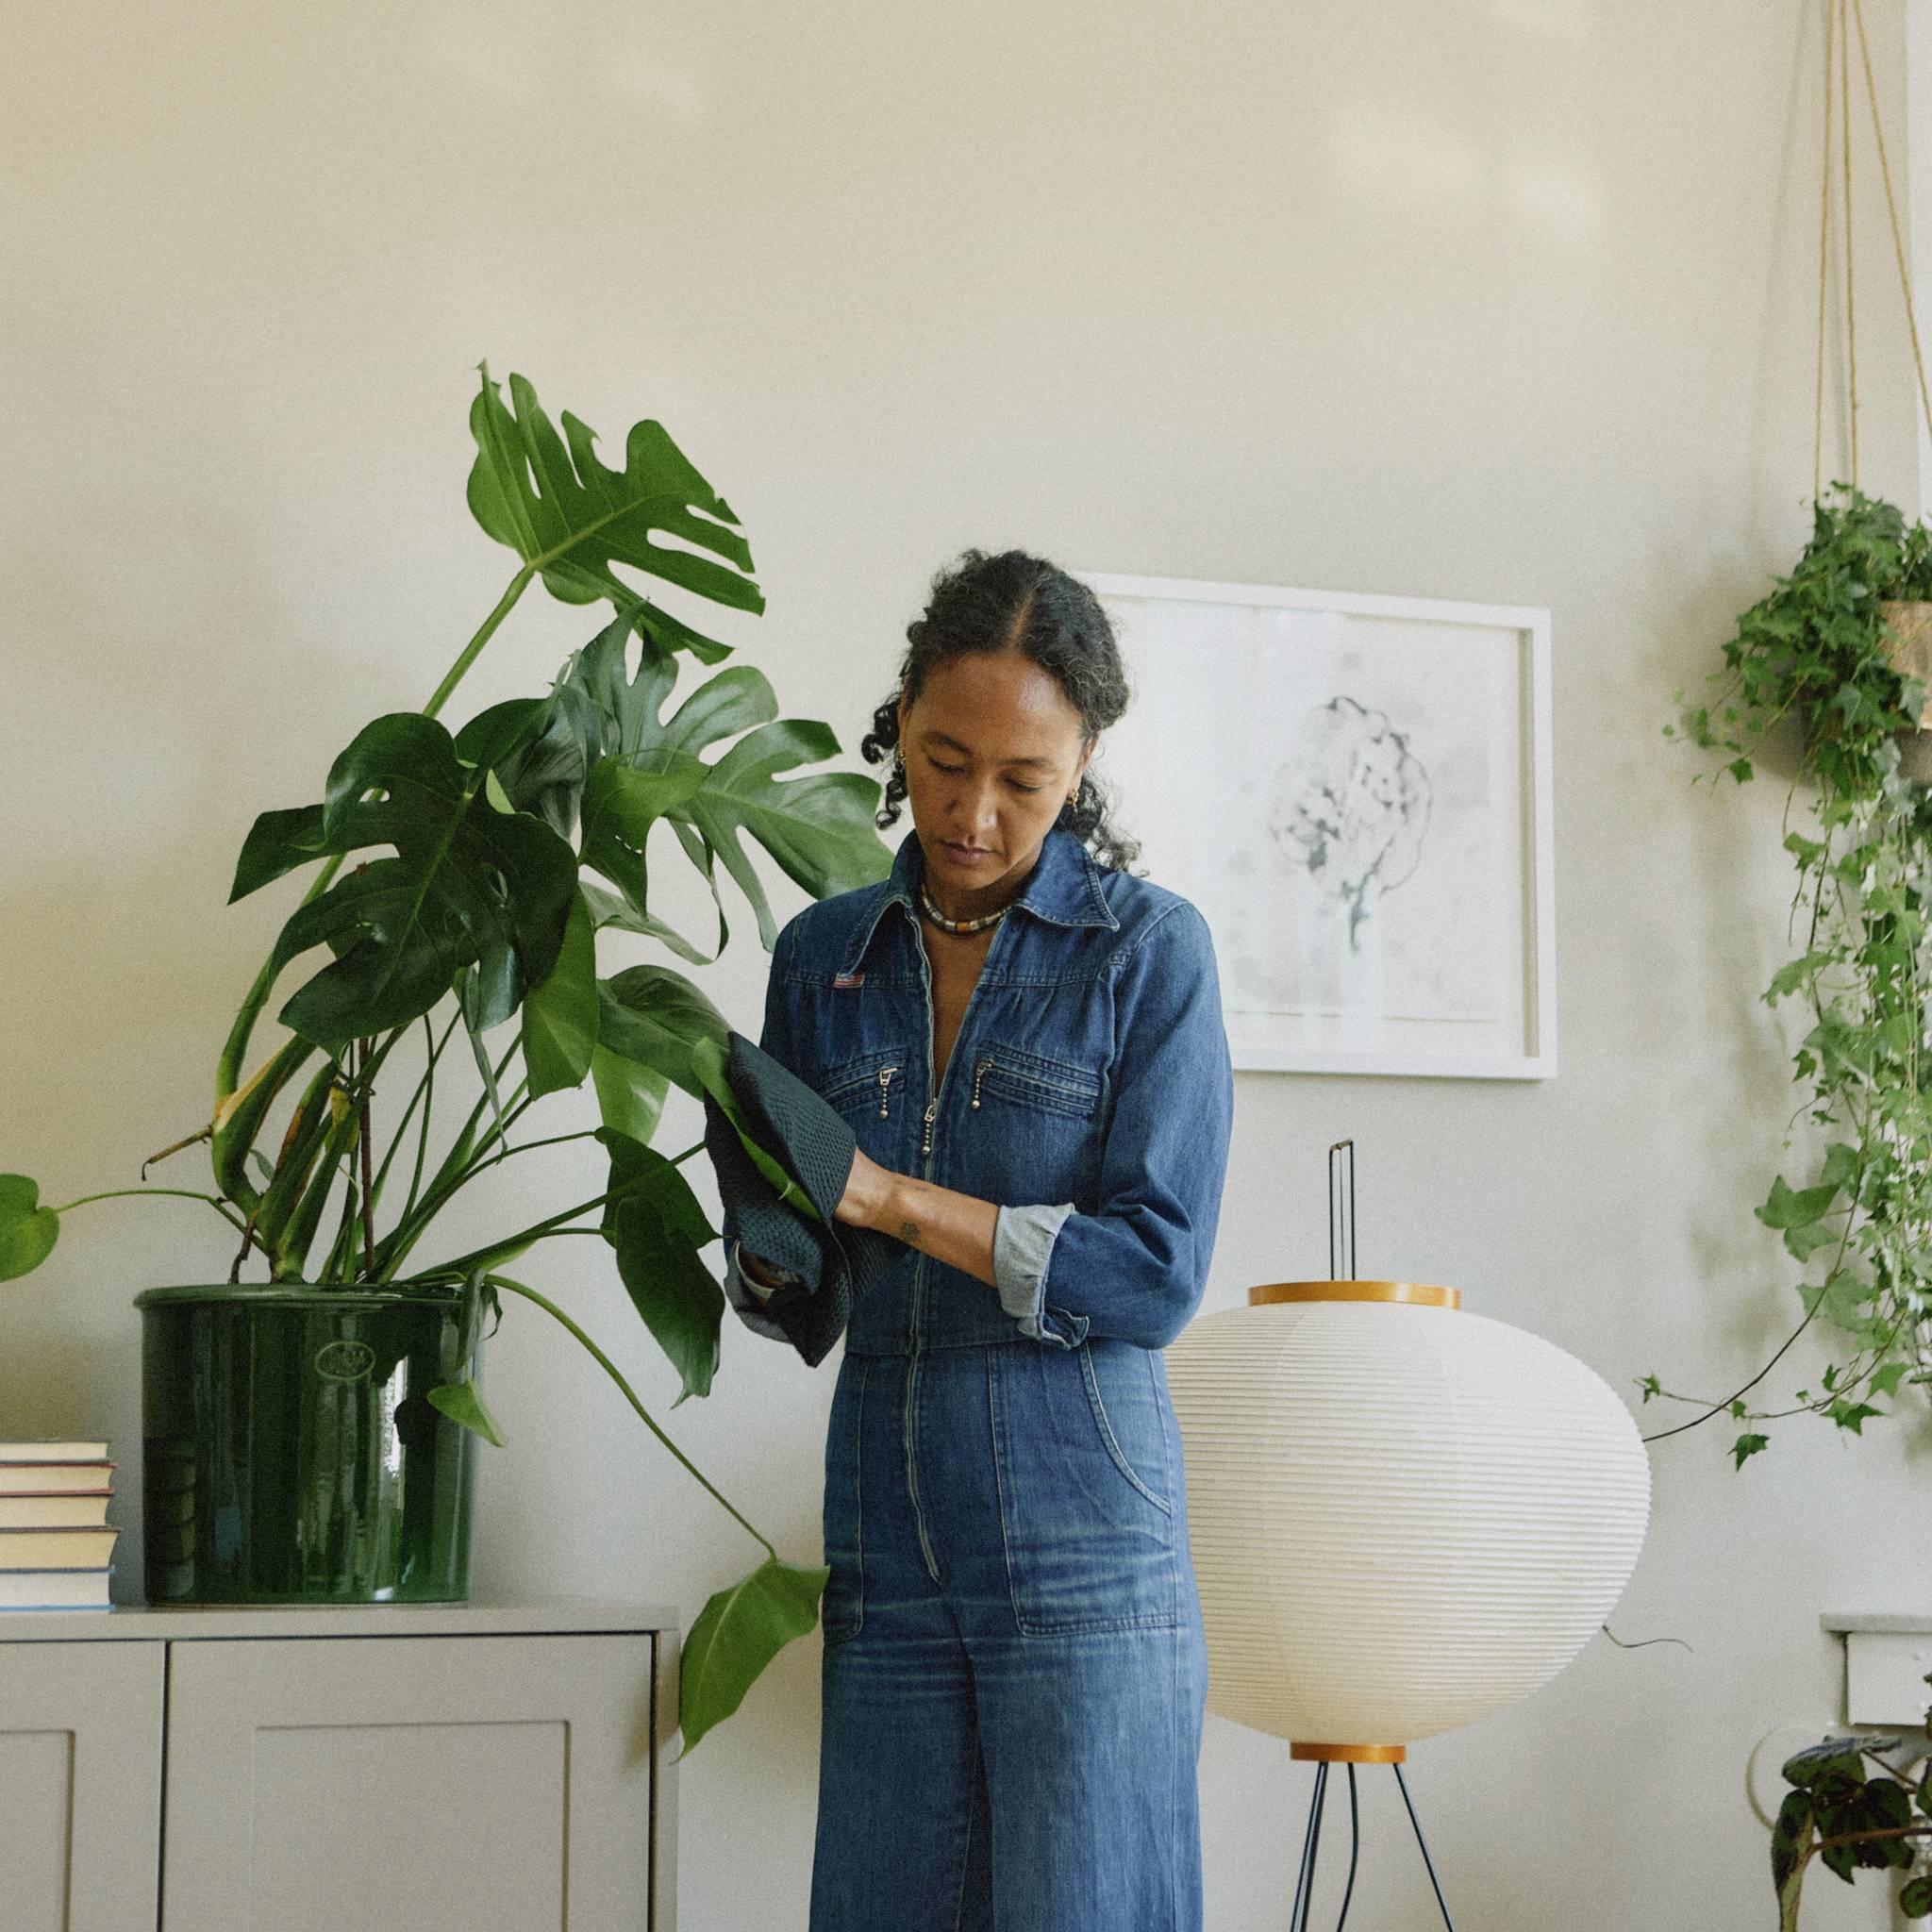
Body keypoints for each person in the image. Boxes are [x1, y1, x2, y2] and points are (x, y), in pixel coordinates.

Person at [723, 547, 1236, 1932]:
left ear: (1085, 765)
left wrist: (890, 1198)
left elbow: (1153, 1273)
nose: (975, 812)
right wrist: (768, 1254)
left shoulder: (1146, 955)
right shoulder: (823, 957)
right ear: (898, 723)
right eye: (946, 761)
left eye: (1026, 780)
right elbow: (806, 1289)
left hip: (1083, 1514)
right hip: (882, 1516)